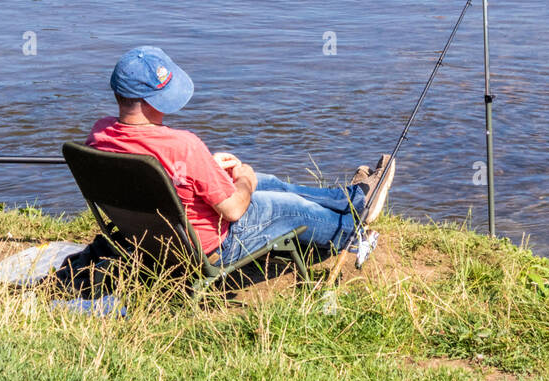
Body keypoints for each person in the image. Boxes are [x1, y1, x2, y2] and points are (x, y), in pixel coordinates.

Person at [87, 45, 395, 264]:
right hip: (210, 246)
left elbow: (153, 171)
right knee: (284, 205)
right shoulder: (184, 145)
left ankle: (350, 198)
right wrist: (244, 180)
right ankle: (352, 228)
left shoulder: (99, 135)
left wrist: (203, 167)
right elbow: (234, 210)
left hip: (149, 240)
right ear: (152, 99)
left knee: (269, 181)